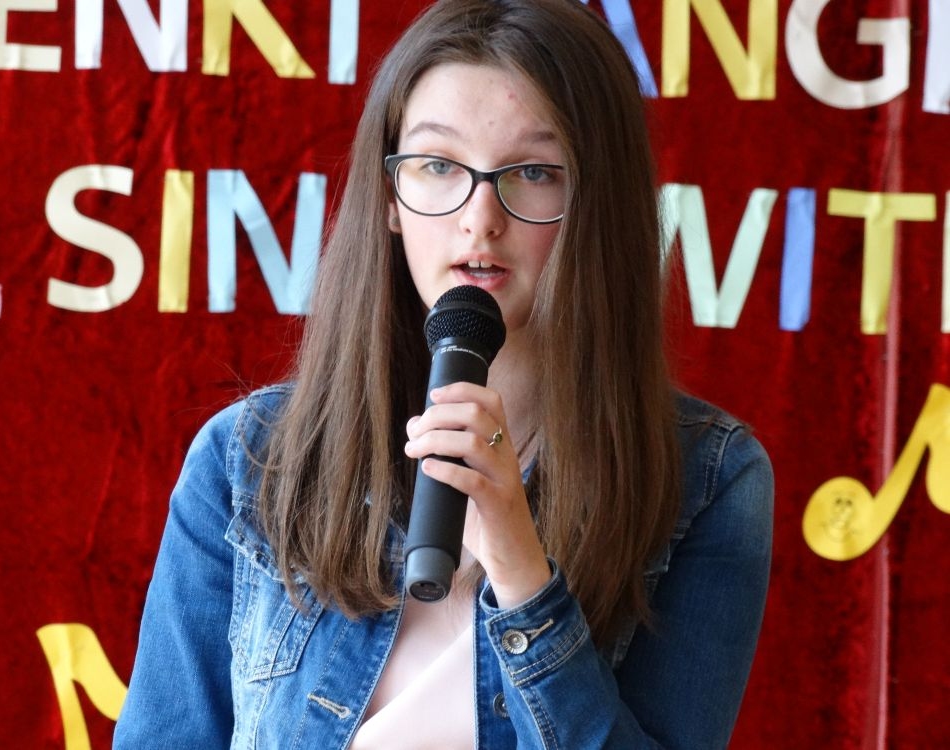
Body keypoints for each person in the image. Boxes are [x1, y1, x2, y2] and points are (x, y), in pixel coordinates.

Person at [114, 0, 774, 747]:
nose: (480, 218)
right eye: (437, 165)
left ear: (598, 201)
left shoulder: (708, 480)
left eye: (533, 172)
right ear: (391, 198)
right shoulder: (248, 459)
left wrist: (524, 576)